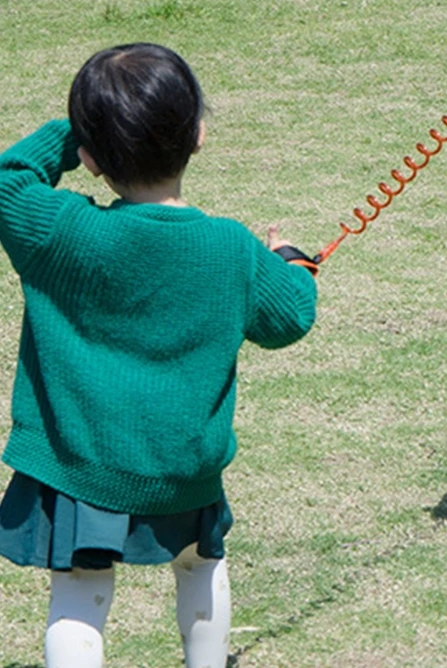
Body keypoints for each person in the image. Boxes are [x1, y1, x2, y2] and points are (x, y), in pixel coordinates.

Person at [0, 43, 319, 666]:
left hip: (79, 466)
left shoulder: (59, 229)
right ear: (198, 134)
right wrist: (291, 263)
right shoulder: (229, 247)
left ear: (91, 160)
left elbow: (9, 178)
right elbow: (290, 316)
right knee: (201, 566)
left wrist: (83, 134)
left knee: (80, 589)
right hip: (183, 468)